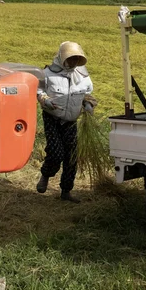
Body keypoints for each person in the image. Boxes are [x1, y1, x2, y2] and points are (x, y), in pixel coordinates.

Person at [35, 41, 94, 203]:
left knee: (71, 157)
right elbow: (38, 90)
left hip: (71, 121)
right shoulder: (48, 73)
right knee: (55, 152)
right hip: (52, 118)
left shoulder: (82, 76)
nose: (74, 63)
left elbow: (87, 93)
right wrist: (44, 99)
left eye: (76, 60)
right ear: (62, 57)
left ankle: (66, 191)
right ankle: (46, 175)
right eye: (71, 59)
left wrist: (88, 104)